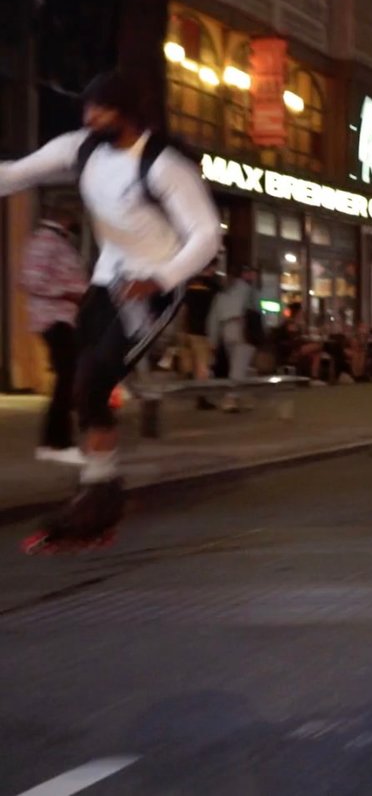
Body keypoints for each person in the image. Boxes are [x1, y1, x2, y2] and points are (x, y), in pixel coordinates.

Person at [0, 71, 221, 550]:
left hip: (153, 288)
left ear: (127, 112)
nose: (89, 118)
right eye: (86, 109)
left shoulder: (163, 166)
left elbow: (207, 235)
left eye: (100, 110)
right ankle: (102, 490)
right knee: (81, 384)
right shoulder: (80, 149)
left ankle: (99, 493)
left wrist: (161, 278)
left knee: (96, 377)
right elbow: (16, 174)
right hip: (107, 283)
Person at [21, 204, 89, 464]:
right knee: (66, 378)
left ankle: (56, 440)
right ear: (65, 217)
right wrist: (68, 292)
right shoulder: (45, 242)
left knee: (68, 378)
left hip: (64, 318)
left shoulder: (58, 242)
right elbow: (30, 280)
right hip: (53, 319)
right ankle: (57, 442)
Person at [207, 264, 261, 411]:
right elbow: (257, 311)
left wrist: (213, 340)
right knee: (239, 366)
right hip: (243, 329)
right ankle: (230, 399)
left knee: (237, 364)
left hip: (226, 330)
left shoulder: (221, 294)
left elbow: (213, 318)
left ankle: (241, 396)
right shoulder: (249, 290)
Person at [180, 257, 222, 406]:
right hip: (203, 331)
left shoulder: (190, 283)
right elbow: (217, 310)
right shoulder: (214, 287)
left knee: (193, 363)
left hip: (189, 329)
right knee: (203, 366)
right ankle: (202, 397)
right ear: (212, 267)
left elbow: (183, 308)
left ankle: (195, 390)